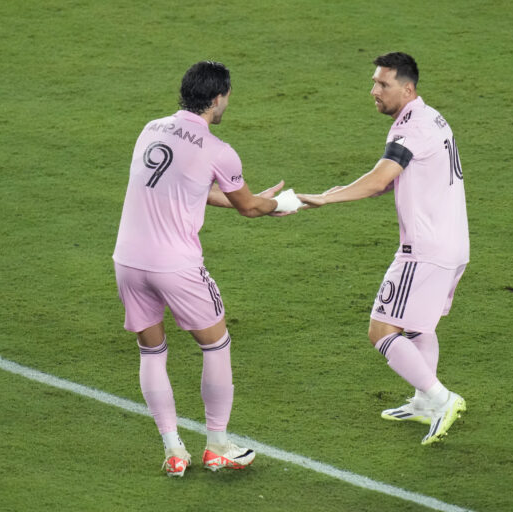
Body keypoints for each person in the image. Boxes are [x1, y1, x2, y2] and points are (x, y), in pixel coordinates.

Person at [113, 61, 302, 476]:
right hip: (175, 266)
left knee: (152, 351)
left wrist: (245, 198)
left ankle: (173, 450)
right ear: (218, 98)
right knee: (216, 345)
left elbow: (182, 186)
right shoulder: (219, 150)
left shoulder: (151, 129)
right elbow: (249, 207)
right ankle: (217, 445)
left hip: (127, 261)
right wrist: (278, 204)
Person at [298, 52, 470, 445]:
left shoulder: (410, 130)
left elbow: (380, 180)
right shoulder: (430, 117)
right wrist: (333, 192)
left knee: (382, 330)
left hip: (424, 249)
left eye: (383, 85)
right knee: (417, 324)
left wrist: (327, 199)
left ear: (407, 89)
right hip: (452, 243)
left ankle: (442, 399)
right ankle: (425, 401)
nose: (374, 91)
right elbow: (393, 179)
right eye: (375, 82)